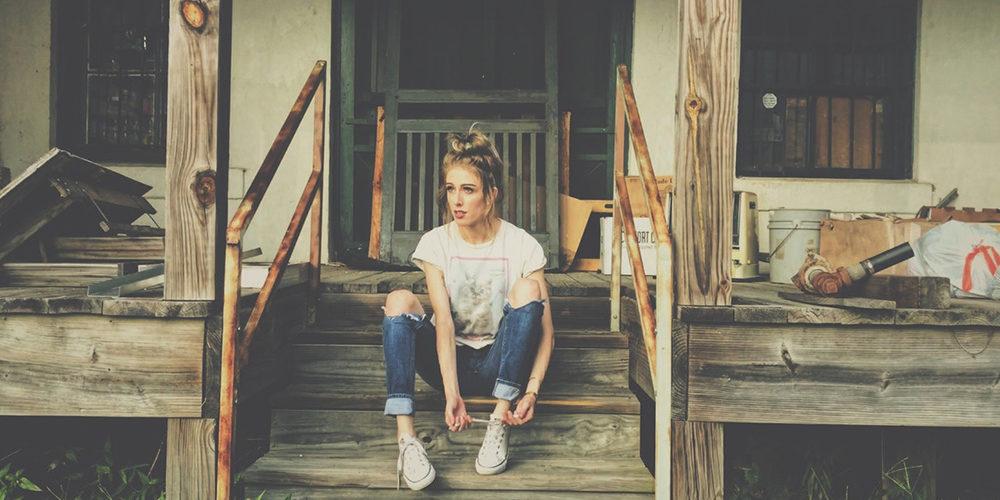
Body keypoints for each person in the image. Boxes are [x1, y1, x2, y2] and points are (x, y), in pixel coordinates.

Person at [381, 129, 555, 490]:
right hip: (450, 361)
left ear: (491, 195)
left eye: (468, 189)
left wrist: (532, 391)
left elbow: (547, 332)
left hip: (500, 361)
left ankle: (499, 418)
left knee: (528, 288)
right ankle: (407, 440)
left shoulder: (522, 245)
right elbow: (442, 322)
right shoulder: (436, 243)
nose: (456, 201)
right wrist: (451, 394)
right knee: (398, 300)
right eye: (450, 188)